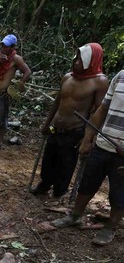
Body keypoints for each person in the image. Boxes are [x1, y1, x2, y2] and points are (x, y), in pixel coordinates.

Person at [51, 68, 124, 245]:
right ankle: (75, 216)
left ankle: (110, 227)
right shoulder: (121, 76)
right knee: (87, 183)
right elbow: (102, 109)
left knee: (120, 192)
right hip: (103, 144)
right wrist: (88, 138)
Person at [32, 43, 108, 197]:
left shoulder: (99, 81)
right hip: (56, 127)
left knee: (65, 164)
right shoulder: (68, 77)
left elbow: (98, 111)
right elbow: (57, 102)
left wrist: (89, 137)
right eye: (76, 58)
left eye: (81, 59)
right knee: (48, 159)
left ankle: (60, 191)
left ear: (91, 61)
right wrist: (47, 123)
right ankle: (45, 184)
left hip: (74, 130)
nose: (77, 62)